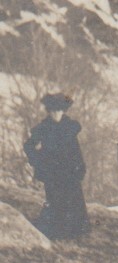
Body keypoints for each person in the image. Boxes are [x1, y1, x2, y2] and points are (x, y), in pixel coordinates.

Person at [23, 93, 90, 240]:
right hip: (52, 172)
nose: (57, 114)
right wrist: (38, 160)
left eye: (59, 110)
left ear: (64, 111)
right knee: (55, 200)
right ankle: (57, 231)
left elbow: (75, 149)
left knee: (73, 199)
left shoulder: (70, 127)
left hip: (70, 171)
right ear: (49, 111)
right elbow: (28, 146)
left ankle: (75, 231)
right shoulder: (43, 128)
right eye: (53, 111)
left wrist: (80, 167)